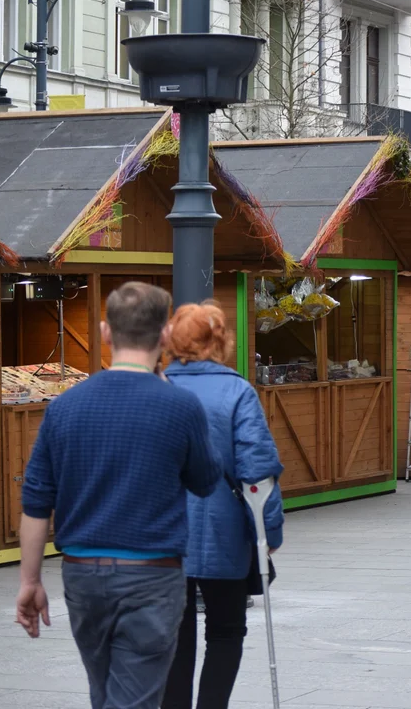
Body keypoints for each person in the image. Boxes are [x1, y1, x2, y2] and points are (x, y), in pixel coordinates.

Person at [16, 282, 220, 709]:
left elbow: (37, 501)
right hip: (153, 575)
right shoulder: (180, 407)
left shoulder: (64, 408)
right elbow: (205, 481)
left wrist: (30, 581)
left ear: (106, 332)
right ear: (165, 335)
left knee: (105, 691)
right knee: (132, 699)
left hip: (82, 575)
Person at [161, 301, 285, 709]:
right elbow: (258, 473)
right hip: (224, 531)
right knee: (227, 630)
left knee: (174, 637)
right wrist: (270, 534)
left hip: (163, 535)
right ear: (220, 342)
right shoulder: (236, 391)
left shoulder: (156, 388)